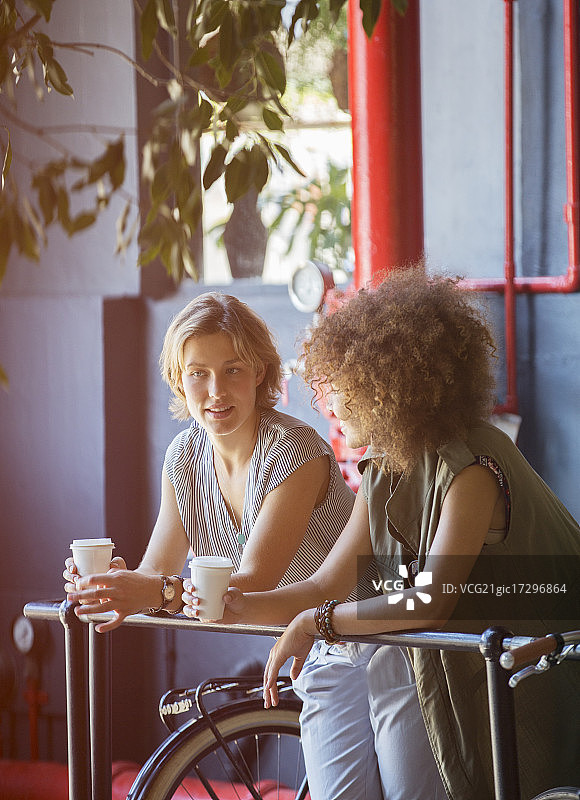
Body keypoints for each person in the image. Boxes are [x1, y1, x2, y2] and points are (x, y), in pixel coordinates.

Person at [216, 267, 580, 800]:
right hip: (491, 658)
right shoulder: (388, 466)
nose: (327, 405)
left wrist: (317, 624)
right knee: (363, 669)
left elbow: (428, 602)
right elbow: (326, 586)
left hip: (549, 660)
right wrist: (228, 606)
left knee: (387, 665)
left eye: (337, 386)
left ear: (386, 383)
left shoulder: (472, 463)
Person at [63, 292, 382, 798]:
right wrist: (111, 585)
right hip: (313, 648)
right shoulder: (184, 457)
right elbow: (157, 569)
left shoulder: (293, 451)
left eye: (233, 369)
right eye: (198, 373)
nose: (215, 390)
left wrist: (150, 591)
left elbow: (256, 581)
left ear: (259, 372)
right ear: (178, 379)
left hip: (371, 640)